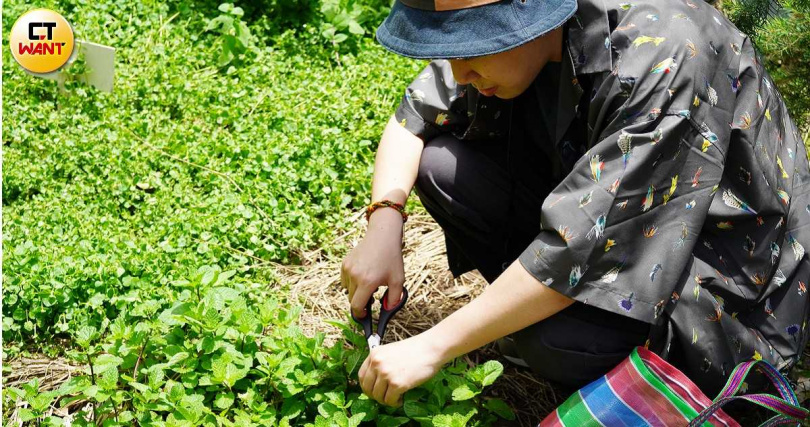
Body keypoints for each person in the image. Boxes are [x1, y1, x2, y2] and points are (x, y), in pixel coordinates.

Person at [340, 0, 810, 409]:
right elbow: (411, 119)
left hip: (731, 280)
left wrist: (432, 347)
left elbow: (579, 249)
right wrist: (384, 222)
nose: (458, 71)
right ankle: (533, 311)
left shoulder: (662, 53)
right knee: (440, 167)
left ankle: (597, 349)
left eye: (470, 49)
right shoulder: (523, 39)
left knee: (556, 343)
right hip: (607, 225)